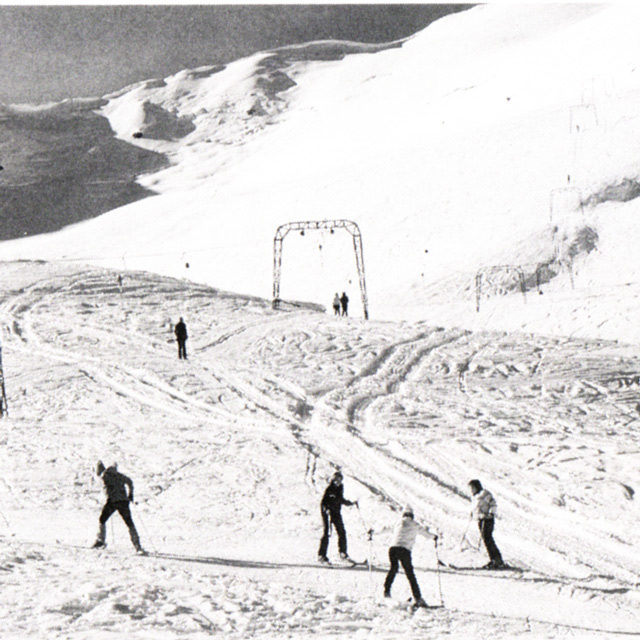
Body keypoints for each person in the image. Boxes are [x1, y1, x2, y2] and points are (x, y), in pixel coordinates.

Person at [384, 506, 437, 609]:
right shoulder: (414, 524)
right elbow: (426, 534)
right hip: (404, 550)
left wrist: (373, 532)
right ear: (412, 516)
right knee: (410, 574)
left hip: (393, 549)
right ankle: (417, 598)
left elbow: (385, 528)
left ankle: (386, 591)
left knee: (393, 568)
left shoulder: (398, 522)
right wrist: (434, 537)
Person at [92, 461, 144, 553]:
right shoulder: (118, 474)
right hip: (124, 501)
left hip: (113, 501)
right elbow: (129, 481)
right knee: (129, 522)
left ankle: (101, 540)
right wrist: (130, 494)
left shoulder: (104, 475)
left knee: (102, 519)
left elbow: (109, 487)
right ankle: (137, 545)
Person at [317, 470, 357, 563]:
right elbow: (324, 502)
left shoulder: (340, 488)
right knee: (327, 532)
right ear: (333, 480)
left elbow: (340, 499)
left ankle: (343, 553)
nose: (338, 482)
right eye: (336, 480)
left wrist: (350, 503)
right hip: (327, 512)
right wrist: (326, 510)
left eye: (340, 480)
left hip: (336, 512)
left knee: (342, 531)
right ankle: (321, 555)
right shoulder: (330, 489)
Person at [468, 479, 504, 568]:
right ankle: (494, 559)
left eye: (472, 488)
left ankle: (497, 560)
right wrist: (473, 514)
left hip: (487, 519)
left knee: (488, 539)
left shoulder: (484, 494)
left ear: (477, 487)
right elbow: (476, 508)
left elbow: (493, 504)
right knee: (486, 539)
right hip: (480, 520)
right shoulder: (475, 497)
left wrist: (491, 513)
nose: (471, 490)